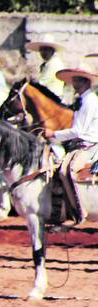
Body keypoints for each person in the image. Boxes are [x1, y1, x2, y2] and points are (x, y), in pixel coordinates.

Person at [44, 65, 98, 223]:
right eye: (73, 80)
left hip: (90, 144)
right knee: (60, 170)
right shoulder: (82, 101)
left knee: (68, 170)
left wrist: (54, 134)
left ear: (86, 82)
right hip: (81, 143)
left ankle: (80, 213)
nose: (74, 84)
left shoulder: (90, 101)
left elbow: (78, 131)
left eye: (77, 80)